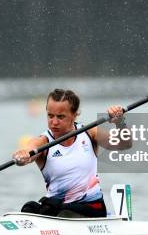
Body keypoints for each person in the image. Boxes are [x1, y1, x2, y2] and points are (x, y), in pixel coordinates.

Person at [12, 88, 132, 218]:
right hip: (57, 207)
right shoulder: (43, 142)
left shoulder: (90, 133)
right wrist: (21, 156)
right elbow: (26, 151)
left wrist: (120, 122)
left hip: (91, 206)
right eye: (50, 116)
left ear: (75, 114)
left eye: (61, 116)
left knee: (65, 214)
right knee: (29, 208)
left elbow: (125, 144)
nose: (54, 122)